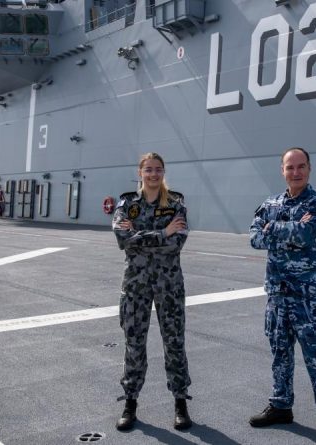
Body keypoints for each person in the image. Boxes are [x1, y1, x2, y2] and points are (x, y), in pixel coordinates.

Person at [249, 147, 316, 445]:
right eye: (290, 167)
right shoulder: (270, 202)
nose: (296, 172)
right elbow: (254, 238)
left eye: (301, 166)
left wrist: (273, 228)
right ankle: (281, 406)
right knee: (280, 356)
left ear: (309, 169)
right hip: (278, 297)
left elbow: (310, 233)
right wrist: (291, 227)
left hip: (309, 300)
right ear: (282, 170)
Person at [112, 152, 192, 431]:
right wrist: (162, 233)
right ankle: (130, 403)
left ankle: (180, 402)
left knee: (174, 343)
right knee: (134, 345)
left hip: (169, 286)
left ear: (163, 172)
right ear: (140, 173)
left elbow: (177, 243)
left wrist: (145, 236)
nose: (154, 174)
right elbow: (124, 240)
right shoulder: (127, 204)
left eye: (158, 169)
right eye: (148, 170)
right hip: (136, 286)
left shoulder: (176, 203)